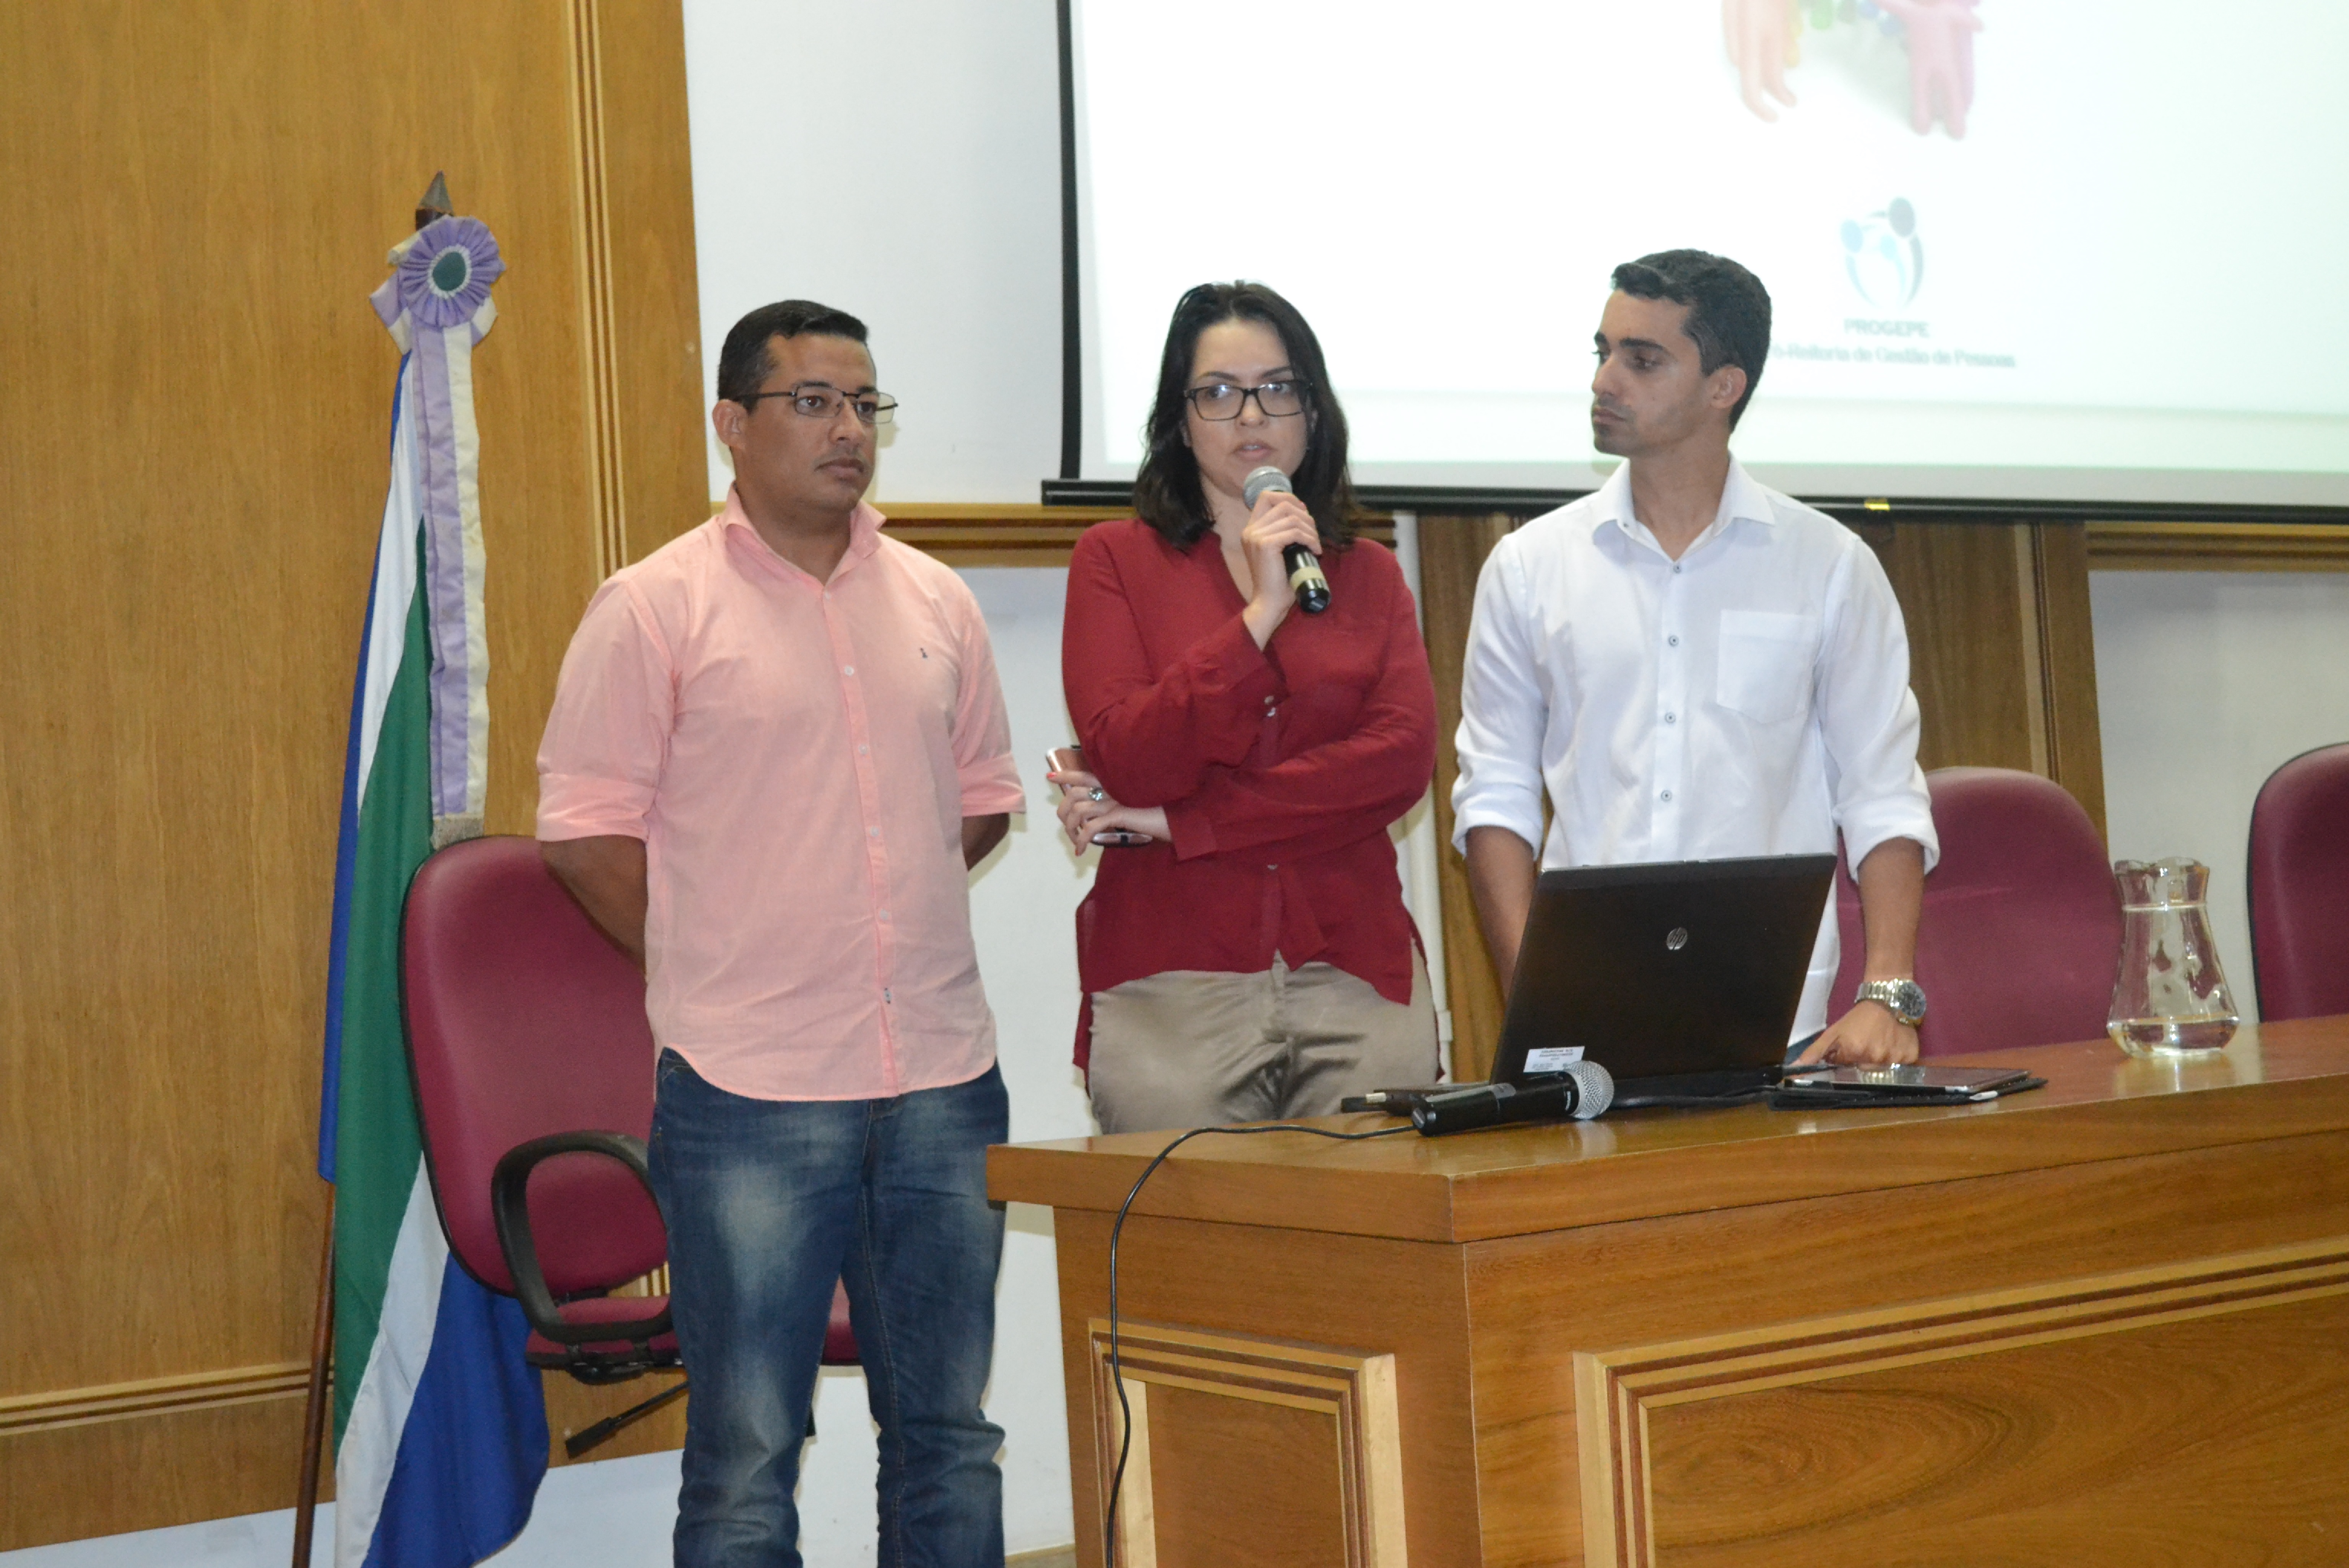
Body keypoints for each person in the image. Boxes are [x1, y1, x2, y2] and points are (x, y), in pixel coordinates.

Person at [535, 299, 1022, 1567]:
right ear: (732, 426)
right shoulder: (653, 607)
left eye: (865, 403)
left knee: (950, 1435)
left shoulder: (937, 599)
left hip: (941, 1076)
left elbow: (975, 804)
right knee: (748, 1454)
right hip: (747, 1086)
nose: (847, 427)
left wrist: (867, 905)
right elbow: (584, 835)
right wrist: (717, 951)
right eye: (813, 401)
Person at [1453, 251, 1938, 1065]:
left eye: (1642, 360)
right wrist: (1534, 1004)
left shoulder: (1828, 565)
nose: (1605, 380)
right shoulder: (1530, 567)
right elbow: (1494, 799)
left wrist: (1887, 991)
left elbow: (1882, 792)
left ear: (1724, 387)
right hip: (1583, 1023)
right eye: (1603, 351)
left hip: (1778, 1020)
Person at [1054, 281, 1441, 1133]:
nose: (1252, 414)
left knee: (1374, 1215)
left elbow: (1395, 768)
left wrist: (1182, 821)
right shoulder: (1114, 560)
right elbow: (1129, 757)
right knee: (1189, 1218)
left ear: (1313, 410)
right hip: (1172, 977)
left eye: (1278, 388)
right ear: (1179, 418)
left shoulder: (1369, 574)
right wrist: (1260, 614)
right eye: (1219, 393)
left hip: (1355, 967)